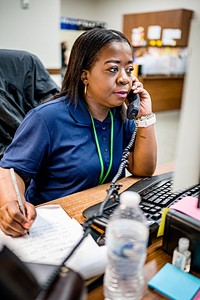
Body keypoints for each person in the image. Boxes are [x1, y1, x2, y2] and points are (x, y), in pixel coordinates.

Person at [0, 28, 157, 237]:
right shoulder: (47, 117)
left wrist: (145, 117)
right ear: (85, 75)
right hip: (53, 224)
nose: (124, 79)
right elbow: (11, 170)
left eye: (129, 70)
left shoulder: (120, 115)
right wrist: (11, 204)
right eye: (112, 69)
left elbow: (143, 170)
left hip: (98, 215)